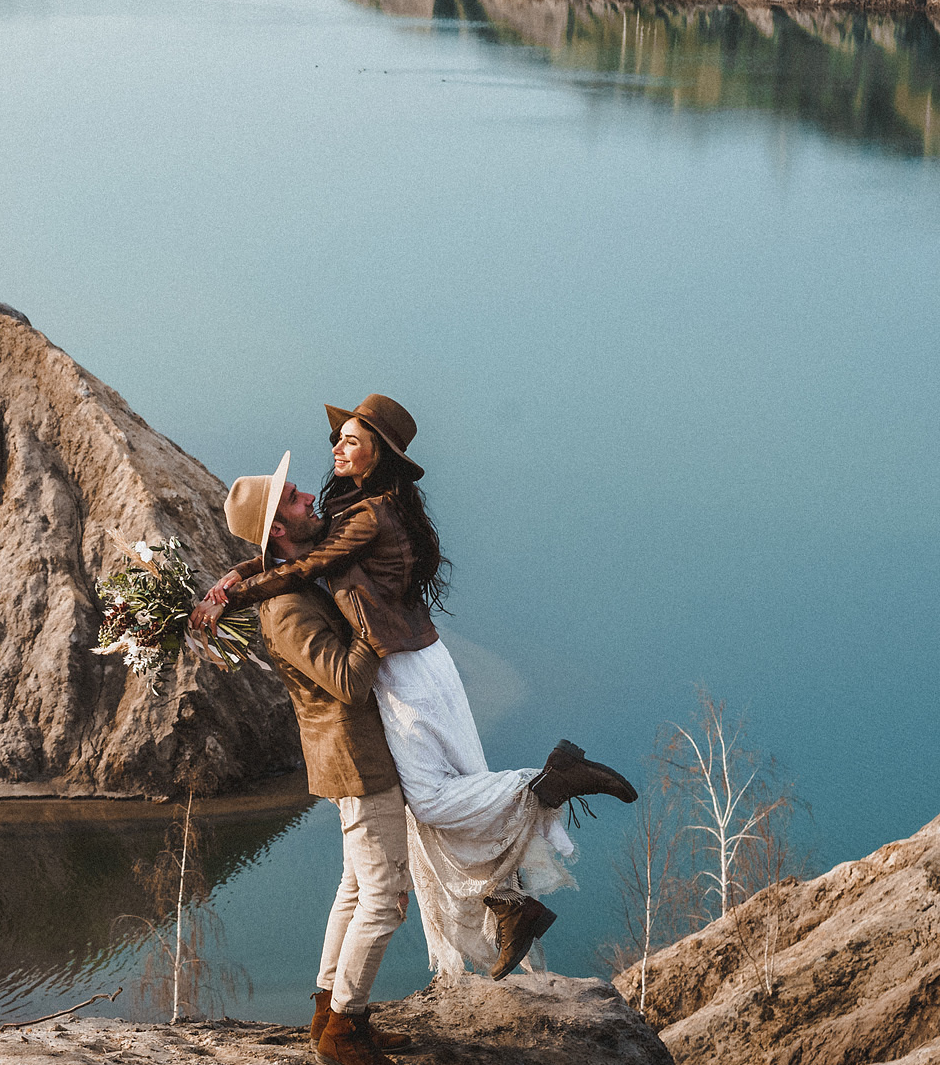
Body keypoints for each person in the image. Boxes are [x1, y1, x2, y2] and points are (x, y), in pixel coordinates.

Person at [196, 395, 637, 979]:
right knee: (456, 795)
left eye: (351, 440)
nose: (333, 452)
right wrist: (240, 570)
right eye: (339, 440)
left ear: (378, 452)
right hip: (421, 664)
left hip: (404, 671)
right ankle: (508, 906)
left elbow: (303, 566)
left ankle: (552, 781)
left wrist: (231, 595)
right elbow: (302, 554)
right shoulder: (365, 509)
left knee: (430, 801)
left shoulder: (365, 516)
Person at [222, 459, 411, 1065]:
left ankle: (330, 1009)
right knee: (385, 898)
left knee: (356, 887)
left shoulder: (290, 581)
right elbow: (349, 682)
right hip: (356, 757)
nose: (310, 497)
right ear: (280, 529)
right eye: (297, 499)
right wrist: (376, 620)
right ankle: (344, 1030)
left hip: (347, 755)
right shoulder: (287, 610)